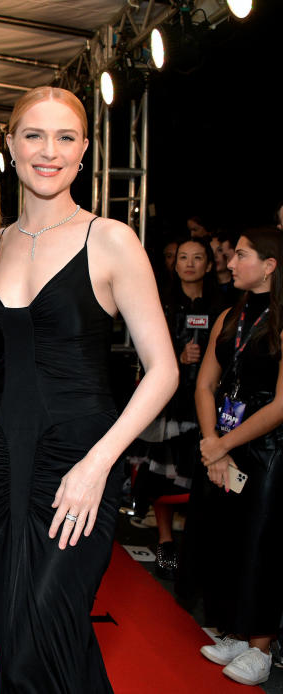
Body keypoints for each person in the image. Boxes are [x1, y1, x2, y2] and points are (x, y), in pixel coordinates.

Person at [0, 86, 178, 692]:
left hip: (80, 467)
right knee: (18, 632)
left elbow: (164, 370)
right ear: (10, 146)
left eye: (66, 137)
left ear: (84, 152)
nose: (49, 151)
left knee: (47, 626)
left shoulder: (111, 240)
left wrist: (99, 465)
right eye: (34, 135)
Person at [195, 227, 283, 687]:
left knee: (261, 545)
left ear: (269, 266)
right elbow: (205, 384)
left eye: (242, 255)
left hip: (268, 449)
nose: (230, 263)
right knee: (226, 538)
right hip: (225, 443)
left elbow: (281, 405)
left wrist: (222, 445)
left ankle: (261, 649)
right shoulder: (230, 315)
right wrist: (213, 443)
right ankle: (234, 629)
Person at [131, 236, 223, 576]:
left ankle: (195, 551)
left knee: (197, 477)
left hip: (207, 403)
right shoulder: (161, 303)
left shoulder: (220, 307)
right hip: (169, 402)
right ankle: (166, 542)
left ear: (209, 265)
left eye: (197, 257)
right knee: (161, 475)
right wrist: (177, 358)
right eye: (182, 257)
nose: (189, 263)